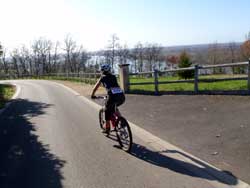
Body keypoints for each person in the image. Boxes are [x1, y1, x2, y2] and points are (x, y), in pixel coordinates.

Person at [91, 64, 125, 133]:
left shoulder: (102, 78)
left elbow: (95, 88)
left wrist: (92, 95)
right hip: (121, 96)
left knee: (107, 111)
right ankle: (121, 121)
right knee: (114, 107)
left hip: (112, 96)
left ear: (102, 71)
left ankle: (107, 129)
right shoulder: (113, 76)